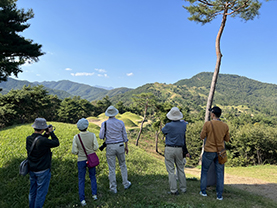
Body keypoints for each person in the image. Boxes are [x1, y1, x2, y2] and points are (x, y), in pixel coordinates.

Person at [26, 118, 59, 208]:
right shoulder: (42, 141)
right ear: (43, 128)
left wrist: (46, 134)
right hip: (43, 170)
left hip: (32, 169)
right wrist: (51, 132)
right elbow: (56, 142)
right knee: (40, 193)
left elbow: (39, 141)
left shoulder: (28, 139)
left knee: (33, 191)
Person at [199, 106, 230, 200]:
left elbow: (202, 136)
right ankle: (219, 195)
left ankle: (203, 191)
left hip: (209, 151)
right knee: (220, 173)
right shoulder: (225, 126)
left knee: (204, 171)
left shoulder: (207, 124)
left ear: (212, 114)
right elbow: (227, 139)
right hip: (220, 152)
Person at [99, 106, 131, 194]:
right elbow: (125, 135)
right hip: (120, 145)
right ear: (115, 113)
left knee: (111, 168)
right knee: (123, 165)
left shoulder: (104, 124)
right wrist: (126, 146)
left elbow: (101, 136)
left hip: (110, 147)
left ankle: (113, 188)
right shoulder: (121, 123)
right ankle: (125, 183)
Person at [162, 107, 190, 195]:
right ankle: (183, 188)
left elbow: (163, 131)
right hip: (180, 149)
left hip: (169, 148)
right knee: (180, 169)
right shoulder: (183, 125)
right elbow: (184, 124)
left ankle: (173, 190)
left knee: (171, 170)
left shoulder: (168, 125)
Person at [72, 118, 99, 206]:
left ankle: (82, 199)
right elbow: (95, 147)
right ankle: (94, 195)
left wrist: (80, 153)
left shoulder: (76, 137)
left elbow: (74, 151)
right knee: (92, 176)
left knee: (81, 179)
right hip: (91, 159)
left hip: (81, 159)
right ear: (87, 126)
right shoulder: (92, 135)